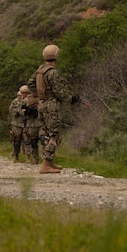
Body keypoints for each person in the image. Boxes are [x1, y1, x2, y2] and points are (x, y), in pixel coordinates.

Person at [27, 44, 79, 174]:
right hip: (51, 105)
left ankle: (50, 163)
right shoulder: (53, 72)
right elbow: (59, 91)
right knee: (55, 135)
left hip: (42, 104)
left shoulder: (40, 70)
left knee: (46, 133)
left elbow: (30, 84)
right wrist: (71, 99)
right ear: (55, 56)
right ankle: (46, 163)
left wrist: (41, 94)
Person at [21, 86, 43, 165]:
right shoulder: (27, 100)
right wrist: (27, 112)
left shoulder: (42, 99)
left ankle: (45, 159)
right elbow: (21, 110)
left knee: (44, 140)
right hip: (31, 124)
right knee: (33, 142)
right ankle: (35, 159)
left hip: (41, 123)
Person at [8, 87, 28, 163]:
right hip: (16, 124)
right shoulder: (15, 102)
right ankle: (16, 156)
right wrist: (19, 111)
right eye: (22, 93)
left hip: (26, 123)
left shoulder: (29, 101)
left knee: (27, 140)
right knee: (17, 140)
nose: (23, 95)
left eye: (25, 93)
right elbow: (11, 110)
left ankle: (28, 157)